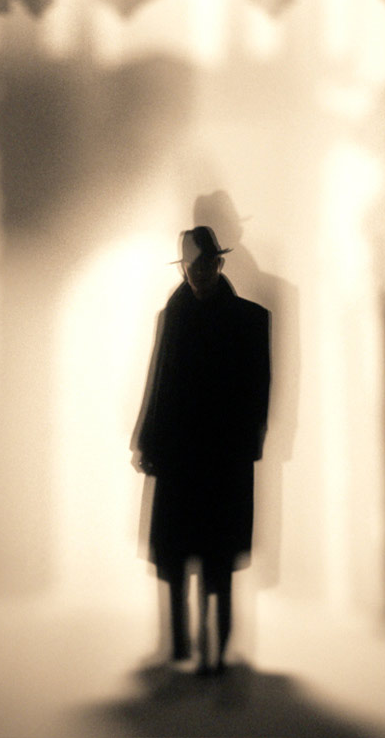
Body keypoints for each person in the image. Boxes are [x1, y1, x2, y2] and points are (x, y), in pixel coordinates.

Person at [132, 224, 272, 676]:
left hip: (221, 456)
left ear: (219, 263)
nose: (198, 273)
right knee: (178, 556)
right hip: (180, 454)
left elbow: (257, 392)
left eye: (205, 264)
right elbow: (157, 383)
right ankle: (181, 644)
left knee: (217, 561)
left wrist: (247, 444)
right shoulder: (173, 317)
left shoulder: (249, 320)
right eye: (192, 266)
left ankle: (215, 647)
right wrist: (147, 440)